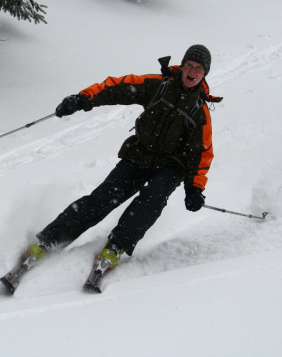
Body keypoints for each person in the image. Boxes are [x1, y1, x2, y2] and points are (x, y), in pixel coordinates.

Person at [16, 45, 221, 288]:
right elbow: (117, 87)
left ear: (204, 74)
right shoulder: (158, 85)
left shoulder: (200, 112)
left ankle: (116, 246)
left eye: (198, 69)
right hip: (140, 154)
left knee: (151, 200)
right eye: (189, 65)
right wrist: (84, 98)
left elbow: (202, 154)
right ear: (183, 65)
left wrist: (195, 189)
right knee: (102, 198)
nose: (192, 72)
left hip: (170, 165)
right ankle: (49, 241)